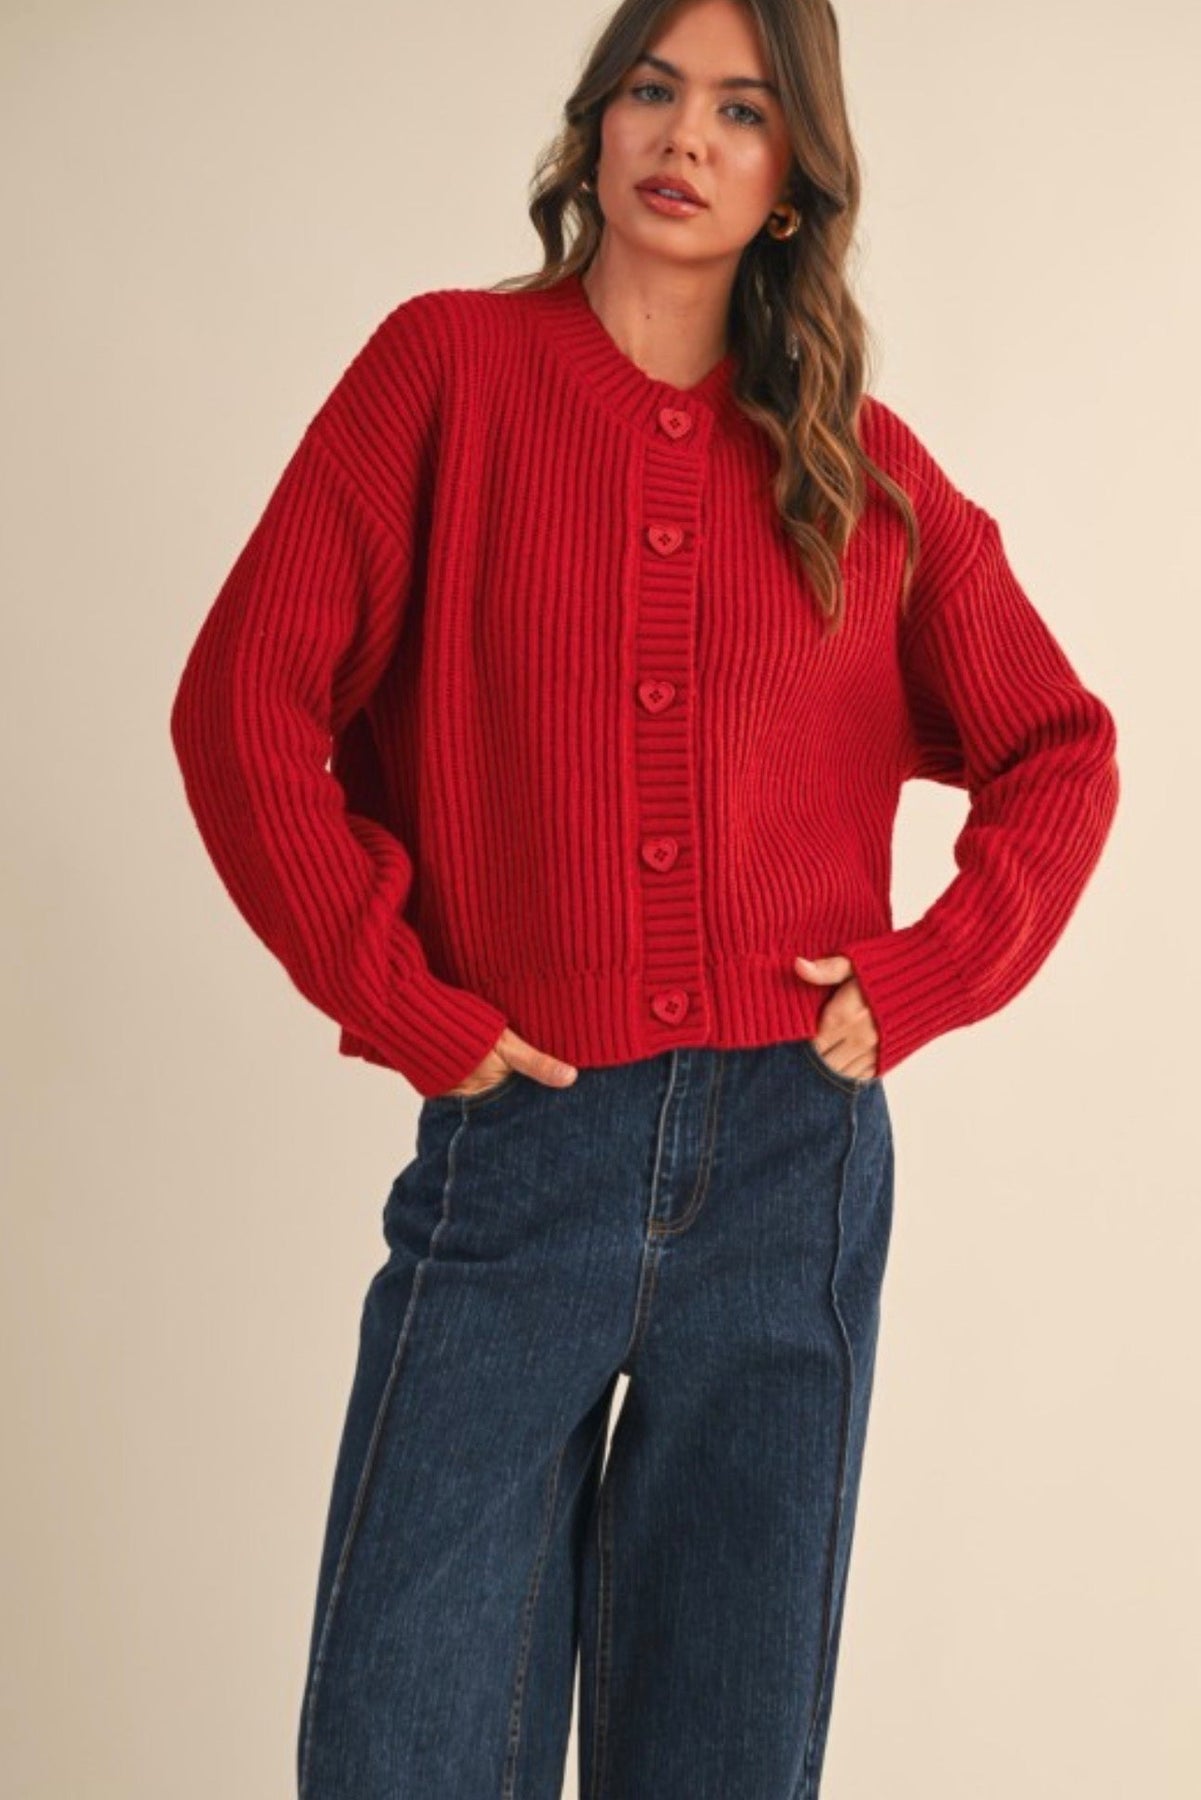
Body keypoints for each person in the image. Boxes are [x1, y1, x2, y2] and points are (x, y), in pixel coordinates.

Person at [168, 1, 1120, 1794]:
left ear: (791, 180)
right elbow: (242, 704)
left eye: (742, 111)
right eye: (654, 90)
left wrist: (924, 973)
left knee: (720, 1754)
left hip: (792, 1167)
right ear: (597, 123)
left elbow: (1057, 746)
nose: (685, 136)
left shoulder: (856, 463)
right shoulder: (444, 372)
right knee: (402, 1742)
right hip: (521, 1146)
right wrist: (400, 994)